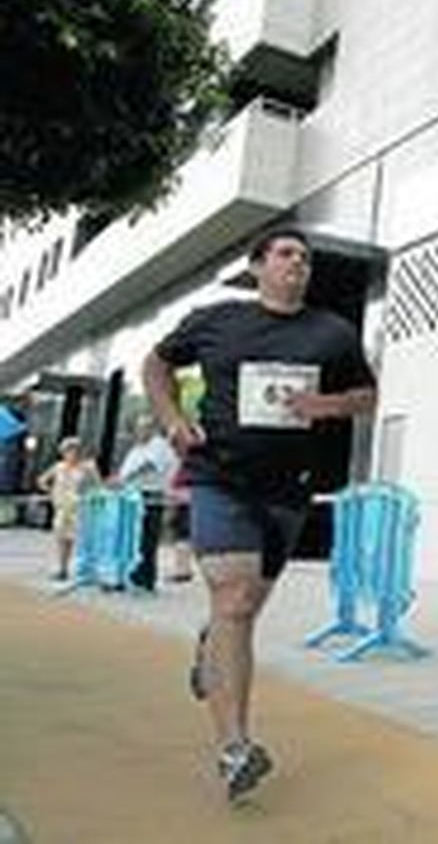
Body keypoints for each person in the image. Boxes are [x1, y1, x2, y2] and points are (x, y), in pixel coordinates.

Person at [143, 226, 376, 802]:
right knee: (236, 602)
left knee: (242, 611)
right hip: (219, 478)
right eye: (286, 254)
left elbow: (367, 396)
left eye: (305, 256)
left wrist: (328, 405)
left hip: (289, 492)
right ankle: (235, 748)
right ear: (258, 266)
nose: (299, 263)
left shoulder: (333, 332)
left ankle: (210, 644)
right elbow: (155, 364)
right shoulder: (217, 320)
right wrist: (172, 420)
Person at [114, 416, 178, 591]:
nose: (139, 431)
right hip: (132, 494)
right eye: (137, 428)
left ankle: (145, 576)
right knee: (133, 537)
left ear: (151, 429)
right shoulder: (137, 448)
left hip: (149, 495)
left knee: (146, 538)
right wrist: (119, 480)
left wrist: (127, 477)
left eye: (143, 428)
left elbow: (150, 465)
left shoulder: (158, 445)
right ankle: (132, 573)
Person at [37, 437, 101, 580]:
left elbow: (97, 486)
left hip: (80, 507)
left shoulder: (87, 467)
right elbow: (41, 480)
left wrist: (88, 496)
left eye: (75, 450)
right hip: (62, 507)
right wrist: (51, 490)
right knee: (62, 538)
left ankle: (87, 569)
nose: (72, 454)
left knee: (81, 539)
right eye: (68, 450)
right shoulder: (59, 467)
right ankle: (63, 568)